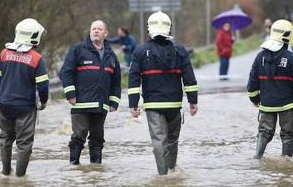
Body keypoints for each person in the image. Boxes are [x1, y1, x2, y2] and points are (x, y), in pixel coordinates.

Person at [128, 11, 198, 175]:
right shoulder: (180, 50)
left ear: (149, 28)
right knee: (172, 140)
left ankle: (163, 176)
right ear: (169, 28)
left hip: (153, 104)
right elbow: (189, 78)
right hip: (174, 104)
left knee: (159, 140)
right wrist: (193, 102)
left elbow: (133, 81)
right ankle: (172, 170)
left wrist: (133, 104)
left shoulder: (140, 52)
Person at [59, 20, 121, 165]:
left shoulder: (111, 55)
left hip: (101, 105)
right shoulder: (78, 49)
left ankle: (96, 169)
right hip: (81, 103)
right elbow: (65, 72)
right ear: (90, 31)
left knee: (98, 138)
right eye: (93, 28)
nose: (96, 31)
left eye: (99, 29)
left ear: (105, 33)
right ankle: (74, 167)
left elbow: (116, 81)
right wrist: (70, 94)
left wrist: (114, 102)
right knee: (79, 136)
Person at [0, 18, 49, 176]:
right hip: (25, 107)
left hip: (5, 104)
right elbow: (43, 86)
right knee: (24, 143)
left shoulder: (4, 54)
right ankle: (19, 177)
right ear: (34, 36)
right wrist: (43, 102)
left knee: (5, 138)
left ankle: (5, 172)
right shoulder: (36, 58)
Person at [247, 19, 293, 159]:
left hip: (267, 105)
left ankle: (257, 158)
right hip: (287, 105)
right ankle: (287, 164)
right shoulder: (292, 59)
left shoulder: (260, 57)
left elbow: (252, 83)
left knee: (264, 132)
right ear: (287, 36)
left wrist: (255, 99)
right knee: (287, 135)